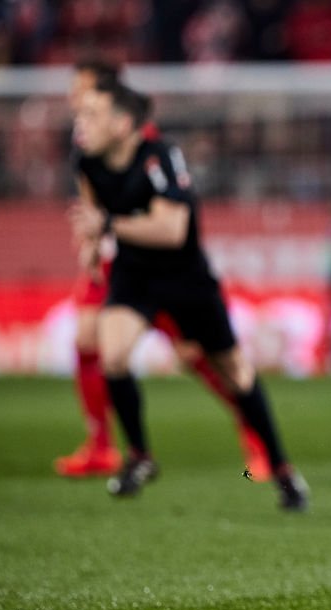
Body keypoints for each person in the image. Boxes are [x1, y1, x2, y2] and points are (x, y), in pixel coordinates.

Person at [71, 79, 308, 510]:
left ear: (122, 124)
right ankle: (140, 457)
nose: (80, 123)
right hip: (133, 276)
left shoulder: (160, 157)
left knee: (235, 372)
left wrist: (106, 227)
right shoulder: (87, 162)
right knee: (113, 353)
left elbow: (172, 230)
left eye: (91, 115)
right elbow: (91, 211)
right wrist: (91, 247)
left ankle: (283, 469)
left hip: (186, 279)